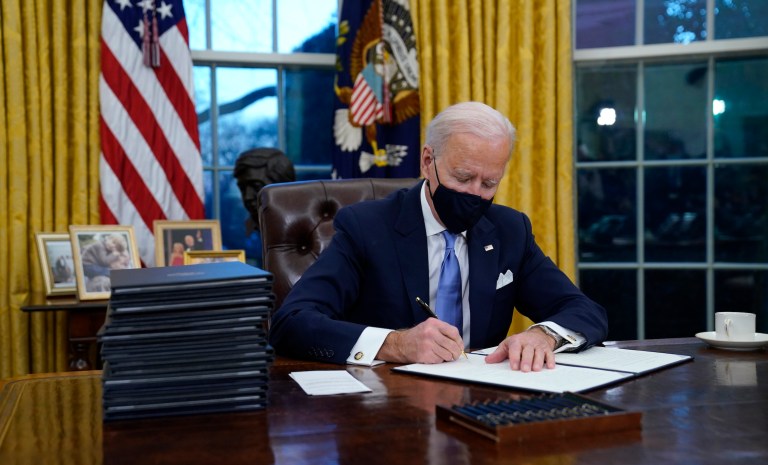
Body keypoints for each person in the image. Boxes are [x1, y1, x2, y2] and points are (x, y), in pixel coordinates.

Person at [269, 102, 608, 372]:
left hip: (482, 402)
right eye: (463, 177)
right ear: (428, 161)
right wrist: (395, 344)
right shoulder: (366, 227)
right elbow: (292, 323)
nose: (475, 194)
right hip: (388, 407)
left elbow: (584, 310)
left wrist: (543, 335)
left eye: (489, 183)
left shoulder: (509, 231)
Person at [233, 148, 296, 265]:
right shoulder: (235, 233)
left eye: (256, 187)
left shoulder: (306, 231)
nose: (247, 196)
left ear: (282, 188)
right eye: (242, 188)